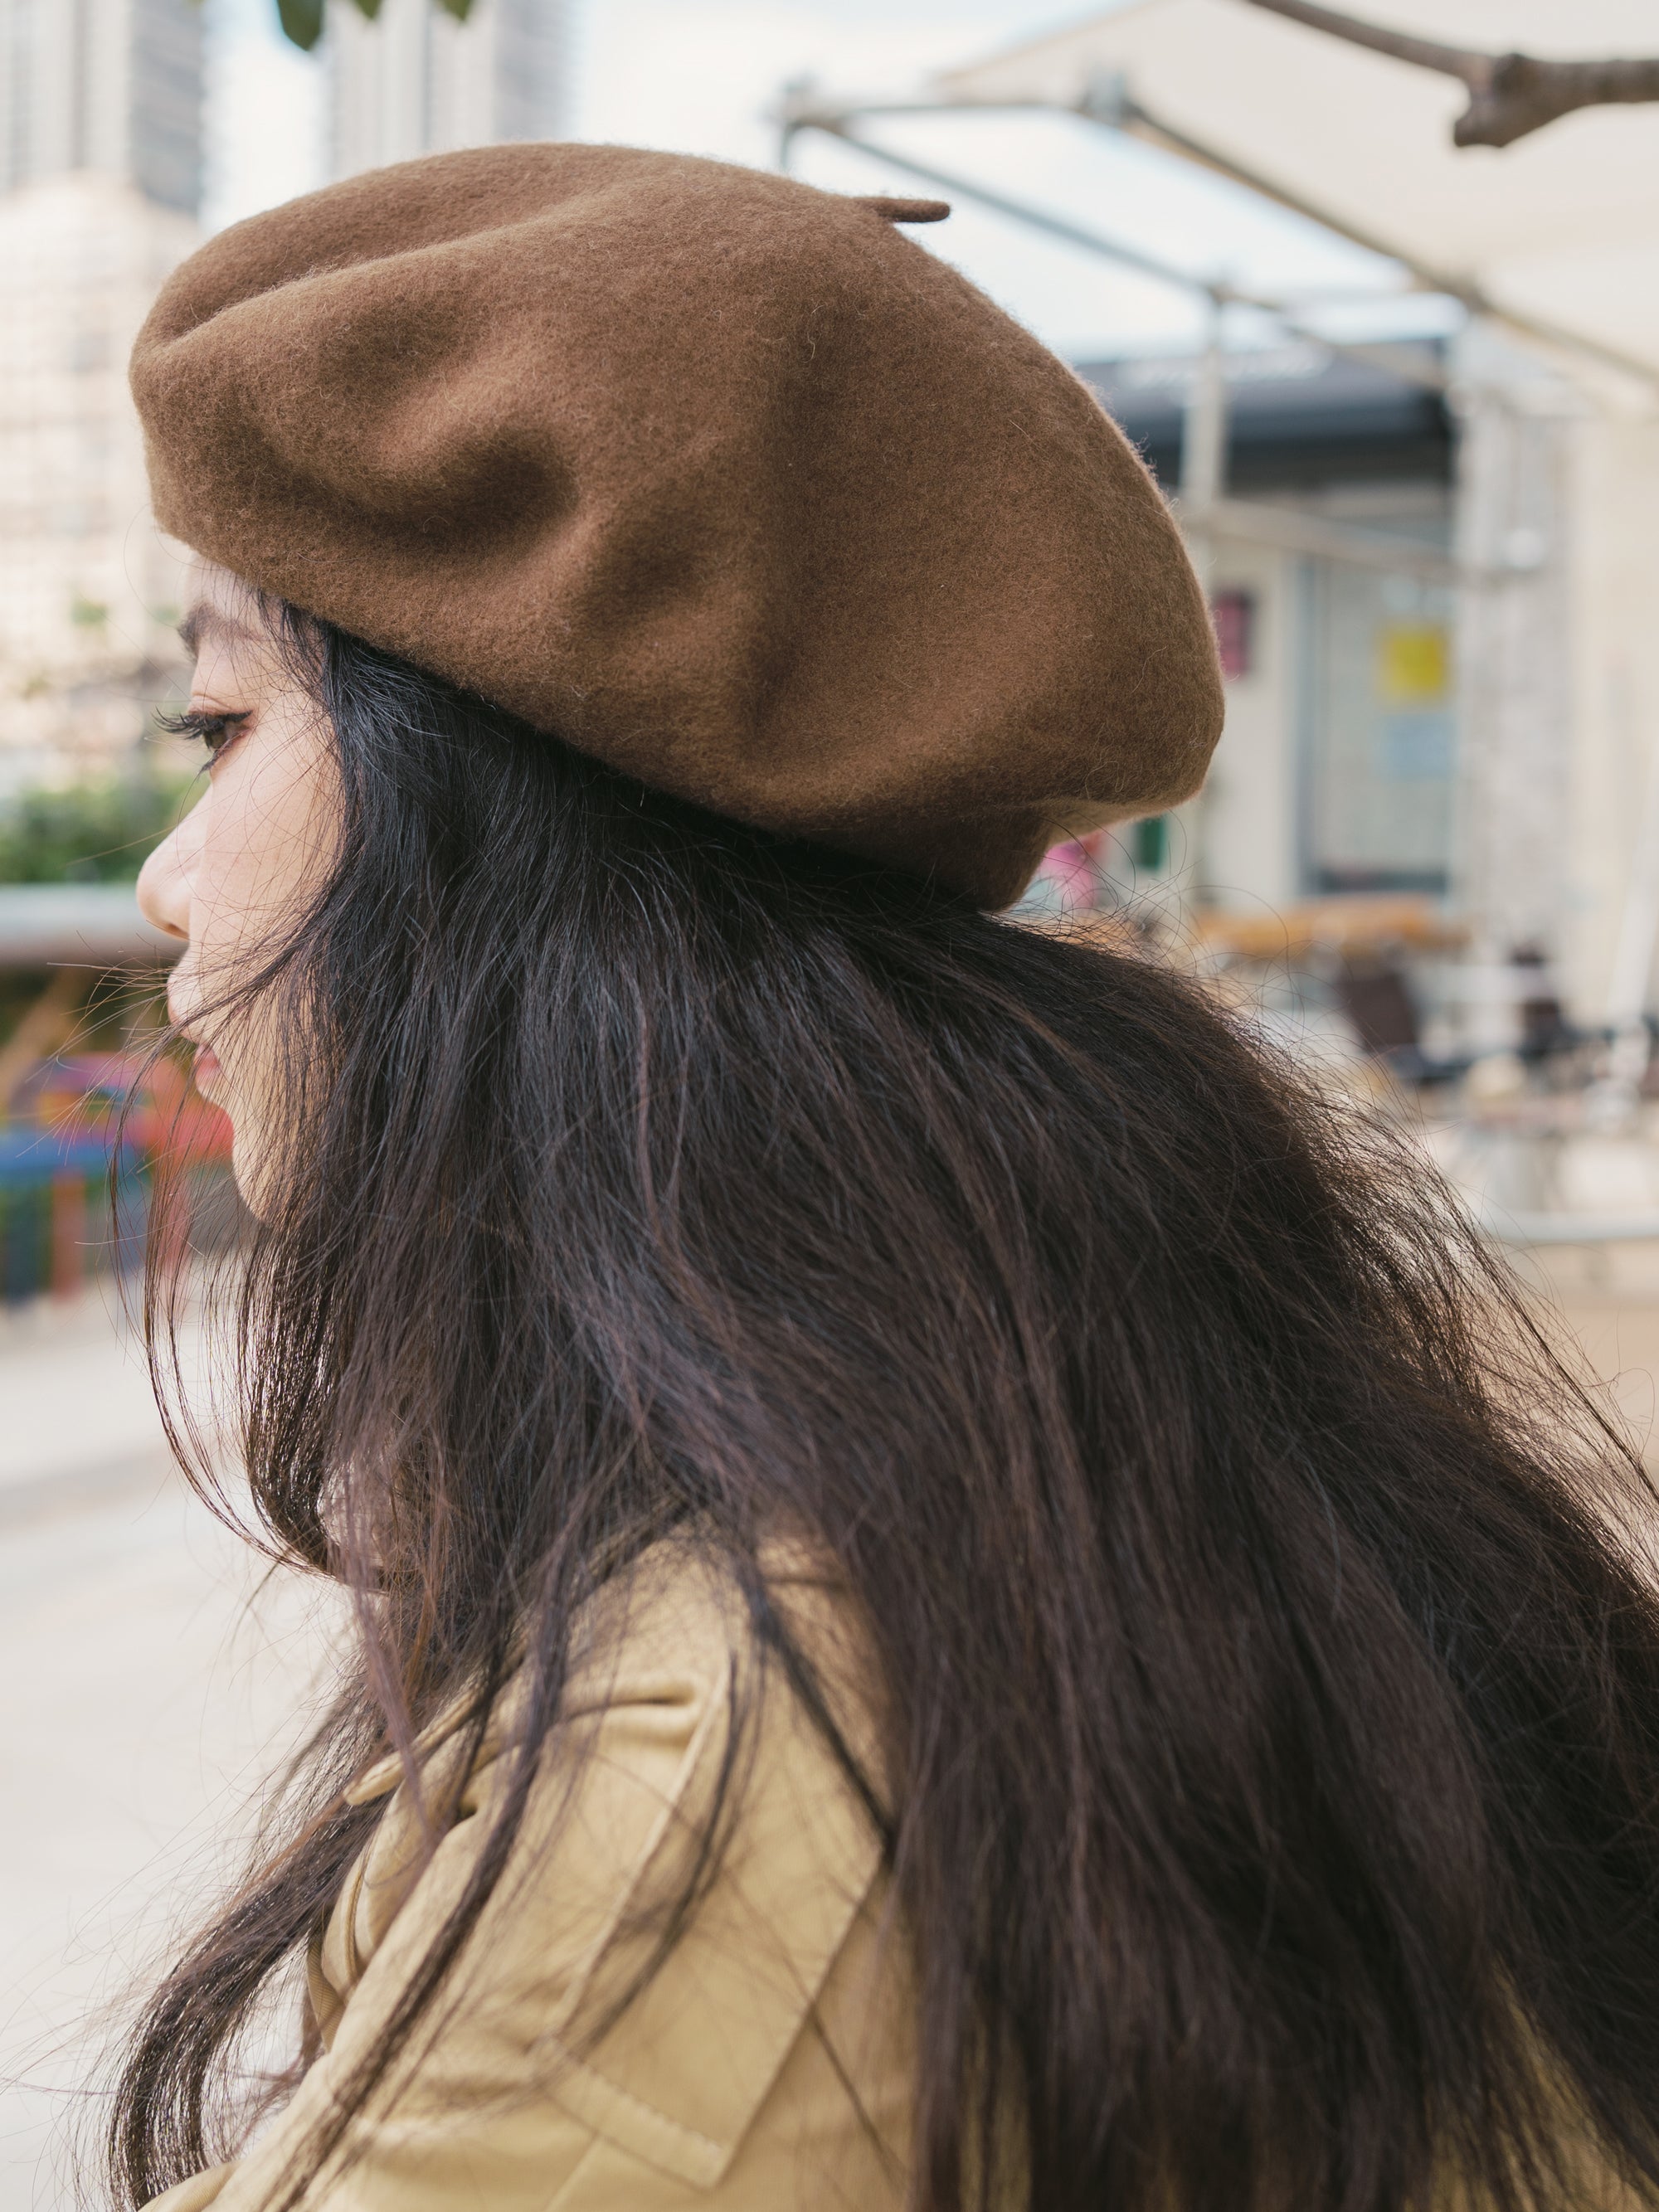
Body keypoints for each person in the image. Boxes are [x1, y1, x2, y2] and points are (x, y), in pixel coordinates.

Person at [114, 144, 1659, 2212]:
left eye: (220, 720)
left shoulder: (728, 1764)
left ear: (509, 840)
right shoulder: (1073, 1443)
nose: (167, 879)